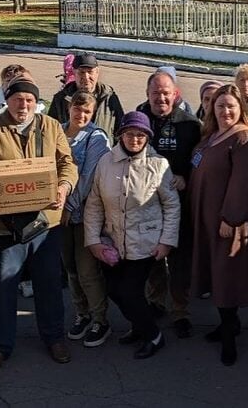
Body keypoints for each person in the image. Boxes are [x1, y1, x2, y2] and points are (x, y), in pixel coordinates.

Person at [0, 78, 77, 374]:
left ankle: (54, 337)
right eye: (18, 100)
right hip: (2, 227)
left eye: (29, 100)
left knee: (49, 284)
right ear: (8, 100)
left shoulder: (51, 126)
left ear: (35, 102)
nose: (24, 105)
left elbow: (67, 163)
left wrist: (63, 188)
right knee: (2, 288)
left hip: (45, 223)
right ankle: (1, 347)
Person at [84, 111, 181, 360]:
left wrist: (166, 241)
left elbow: (172, 205)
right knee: (115, 291)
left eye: (140, 135)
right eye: (129, 134)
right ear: (121, 135)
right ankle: (139, 326)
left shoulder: (159, 165)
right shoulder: (106, 162)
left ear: (147, 137)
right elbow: (94, 203)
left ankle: (153, 335)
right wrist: (93, 240)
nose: (134, 139)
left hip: (146, 243)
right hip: (113, 242)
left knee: (130, 292)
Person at [188, 85, 248, 366]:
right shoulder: (211, 136)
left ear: (241, 108)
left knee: (226, 277)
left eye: (231, 106)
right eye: (220, 106)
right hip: (206, 217)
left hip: (227, 222)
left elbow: (243, 183)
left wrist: (231, 218)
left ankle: (230, 336)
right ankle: (226, 325)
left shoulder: (243, 138)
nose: (226, 111)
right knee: (216, 275)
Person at [136, 70, 202, 338]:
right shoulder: (139, 119)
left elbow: (200, 159)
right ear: (148, 94)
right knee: (153, 256)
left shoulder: (190, 124)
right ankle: (156, 301)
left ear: (175, 94)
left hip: (180, 203)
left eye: (166, 93)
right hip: (147, 204)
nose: (160, 98)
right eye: (155, 93)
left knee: (179, 260)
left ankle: (180, 311)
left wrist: (186, 177)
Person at [61, 93, 112, 348]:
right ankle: (82, 314)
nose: (81, 116)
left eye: (87, 112)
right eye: (77, 110)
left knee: (87, 270)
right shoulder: (56, 131)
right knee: (70, 268)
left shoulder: (97, 137)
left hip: (84, 215)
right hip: (58, 216)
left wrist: (68, 205)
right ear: (69, 108)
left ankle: (100, 319)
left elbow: (90, 177)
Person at [48, 53, 125, 142]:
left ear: (97, 72)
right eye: (81, 72)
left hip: (103, 153)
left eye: (90, 72)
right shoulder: (60, 99)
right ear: (74, 72)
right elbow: (50, 131)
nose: (86, 77)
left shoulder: (110, 98)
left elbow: (121, 130)